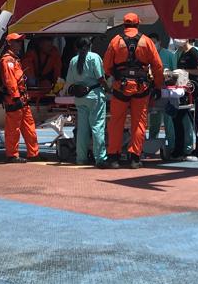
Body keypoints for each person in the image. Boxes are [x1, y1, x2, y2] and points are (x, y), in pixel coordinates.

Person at [103, 13, 164, 169]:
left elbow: (107, 67)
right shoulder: (147, 41)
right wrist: (158, 86)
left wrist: (116, 75)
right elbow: (158, 66)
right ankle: (135, 158)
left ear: (124, 25)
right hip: (141, 88)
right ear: (138, 24)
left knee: (116, 122)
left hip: (120, 88)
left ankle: (113, 158)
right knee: (139, 123)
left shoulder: (115, 41)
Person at [64, 37, 108, 167]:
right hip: (94, 96)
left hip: (80, 98)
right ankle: (100, 158)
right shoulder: (94, 57)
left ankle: (81, 158)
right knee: (97, 127)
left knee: (82, 129)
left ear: (76, 47)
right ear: (90, 46)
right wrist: (109, 88)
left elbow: (69, 82)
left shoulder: (73, 60)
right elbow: (101, 78)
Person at [0, 33, 40, 163]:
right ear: (10, 43)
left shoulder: (15, 59)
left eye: (20, 41)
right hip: (15, 99)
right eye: (16, 41)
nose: (19, 44)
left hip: (22, 98)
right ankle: (12, 155)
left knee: (29, 126)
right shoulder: (8, 61)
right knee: (13, 129)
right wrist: (16, 98)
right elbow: (10, 81)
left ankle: (33, 153)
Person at [146, 32, 177, 156]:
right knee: (154, 121)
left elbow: (175, 74)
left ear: (159, 42)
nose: (153, 45)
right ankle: (151, 147)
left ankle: (172, 146)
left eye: (154, 42)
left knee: (169, 120)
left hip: (167, 93)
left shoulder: (169, 55)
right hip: (153, 94)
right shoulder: (147, 56)